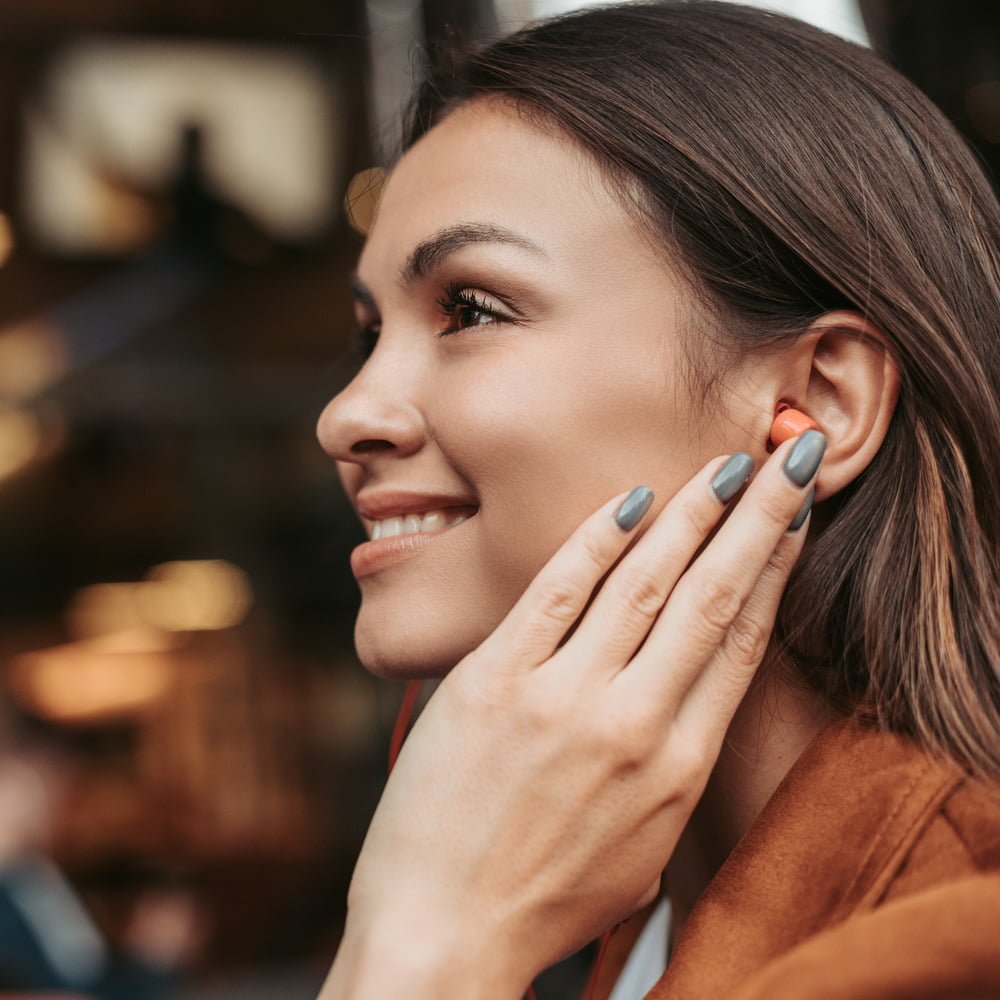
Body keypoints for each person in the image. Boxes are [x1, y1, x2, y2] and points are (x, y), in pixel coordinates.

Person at [313, 2, 1000, 997]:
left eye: (469, 308)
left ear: (819, 400)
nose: (347, 414)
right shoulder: (620, 914)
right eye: (368, 333)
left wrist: (428, 952)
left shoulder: (949, 944)